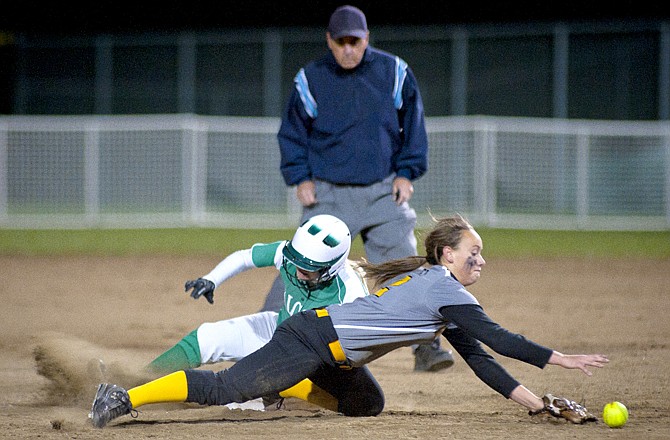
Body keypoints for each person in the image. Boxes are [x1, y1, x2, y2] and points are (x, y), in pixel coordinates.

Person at [89, 214, 609, 428]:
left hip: (333, 352)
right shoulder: (441, 287)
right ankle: (123, 397)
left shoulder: (441, 292)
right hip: (311, 336)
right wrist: (557, 358)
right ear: (447, 255)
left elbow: (480, 358)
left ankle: (287, 390)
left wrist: (537, 404)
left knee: (367, 403)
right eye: (473, 252)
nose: (481, 261)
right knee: (224, 387)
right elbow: (497, 337)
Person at [261, 4, 454, 372]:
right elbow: (292, 132)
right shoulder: (310, 78)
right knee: (302, 269)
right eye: (341, 41)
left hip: (384, 191)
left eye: (356, 41)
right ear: (329, 41)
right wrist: (300, 177)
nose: (349, 48)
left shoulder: (394, 72)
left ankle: (426, 347)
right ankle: (269, 342)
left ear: (367, 39)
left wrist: (406, 173)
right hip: (329, 194)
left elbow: (413, 125)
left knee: (406, 270)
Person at [146, 214, 370, 410]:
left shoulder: (351, 294)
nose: (298, 273)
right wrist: (211, 279)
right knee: (205, 338)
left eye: (307, 269)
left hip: (306, 357)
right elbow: (245, 257)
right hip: (278, 329)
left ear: (331, 268)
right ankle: (140, 382)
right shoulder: (292, 254)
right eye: (297, 262)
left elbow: (354, 349)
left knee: (235, 403)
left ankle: (276, 397)